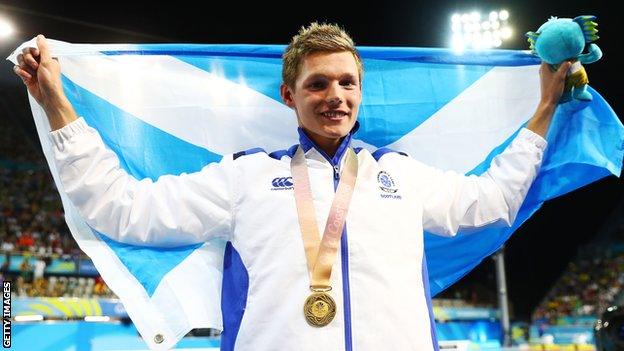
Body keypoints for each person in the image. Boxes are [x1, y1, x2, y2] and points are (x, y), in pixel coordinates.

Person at [13, 23, 569, 350]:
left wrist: (544, 108)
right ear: (289, 94)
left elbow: (491, 203)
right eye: (318, 83)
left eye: (348, 83)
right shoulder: (244, 177)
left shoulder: (400, 173)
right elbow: (122, 210)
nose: (336, 96)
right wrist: (59, 106)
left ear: (361, 92)